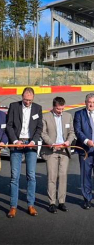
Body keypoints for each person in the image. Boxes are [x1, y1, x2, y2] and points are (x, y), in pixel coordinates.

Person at [6, 87, 43, 218]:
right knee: (14, 176)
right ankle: (13, 206)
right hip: (17, 143)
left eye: (30, 100)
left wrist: (33, 141)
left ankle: (31, 205)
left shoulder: (37, 108)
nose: (28, 102)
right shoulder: (14, 106)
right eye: (26, 100)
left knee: (31, 175)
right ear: (22, 97)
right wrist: (15, 141)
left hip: (30, 144)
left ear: (33, 98)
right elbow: (9, 125)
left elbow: (39, 127)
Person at [41, 97, 75, 214]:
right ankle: (51, 203)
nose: (60, 111)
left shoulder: (68, 116)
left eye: (62, 108)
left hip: (64, 151)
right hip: (51, 151)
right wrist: (52, 144)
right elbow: (43, 133)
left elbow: (71, 132)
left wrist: (68, 142)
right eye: (58, 109)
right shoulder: (45, 117)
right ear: (53, 107)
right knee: (52, 177)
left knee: (63, 176)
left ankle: (61, 202)